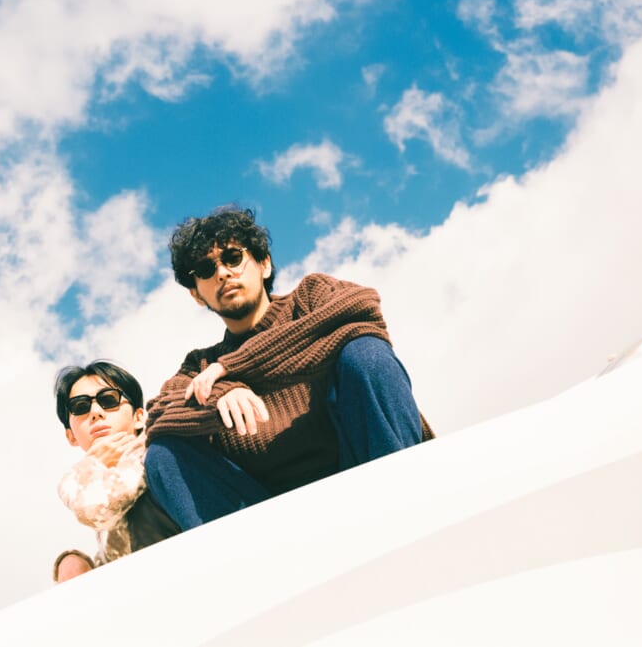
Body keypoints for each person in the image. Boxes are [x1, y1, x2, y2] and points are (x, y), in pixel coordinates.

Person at [144, 205, 434, 531]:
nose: (222, 273)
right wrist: (220, 394)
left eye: (233, 258)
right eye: (205, 268)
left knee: (364, 351)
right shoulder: (199, 366)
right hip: (272, 523)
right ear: (197, 295)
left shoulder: (309, 298)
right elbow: (158, 417)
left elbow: (360, 308)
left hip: (366, 476)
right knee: (163, 454)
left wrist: (235, 366)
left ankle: (410, 509)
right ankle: (248, 557)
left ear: (264, 264)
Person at [55, 360, 179, 566]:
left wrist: (92, 465)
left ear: (139, 417)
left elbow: (94, 509)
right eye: (80, 407)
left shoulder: (155, 449)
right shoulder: (77, 477)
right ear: (71, 436)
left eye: (109, 399)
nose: (95, 412)